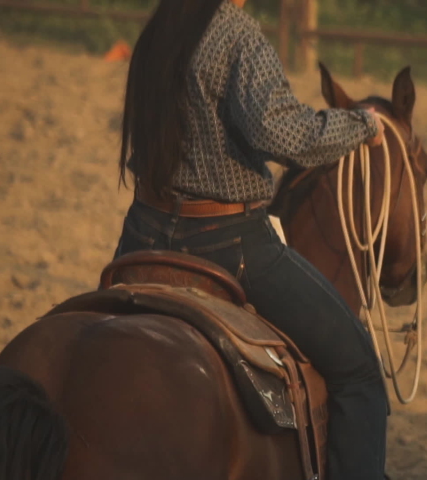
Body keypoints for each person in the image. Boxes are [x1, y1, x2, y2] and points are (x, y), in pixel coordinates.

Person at [112, 0, 388, 478]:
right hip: (228, 242)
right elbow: (282, 135)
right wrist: (361, 125)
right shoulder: (235, 33)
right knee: (359, 370)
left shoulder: (159, 29)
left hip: (142, 234)